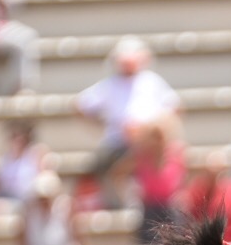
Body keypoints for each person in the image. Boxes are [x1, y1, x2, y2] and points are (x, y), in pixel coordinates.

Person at [77, 37, 182, 208]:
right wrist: (104, 124)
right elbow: (81, 105)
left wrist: (150, 131)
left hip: (150, 145)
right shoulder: (109, 84)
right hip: (118, 144)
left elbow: (175, 107)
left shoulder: (151, 81)